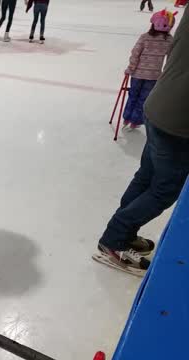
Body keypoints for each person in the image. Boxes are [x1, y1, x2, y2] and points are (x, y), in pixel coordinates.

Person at [93, 10, 188, 277]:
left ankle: (123, 233)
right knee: (164, 189)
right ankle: (114, 239)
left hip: (160, 106)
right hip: (179, 122)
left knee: (147, 176)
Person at [122, 10, 176, 131]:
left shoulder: (145, 37)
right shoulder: (169, 40)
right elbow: (171, 57)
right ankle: (135, 121)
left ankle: (127, 118)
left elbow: (135, 53)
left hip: (137, 74)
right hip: (154, 76)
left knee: (133, 96)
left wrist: (130, 68)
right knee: (143, 99)